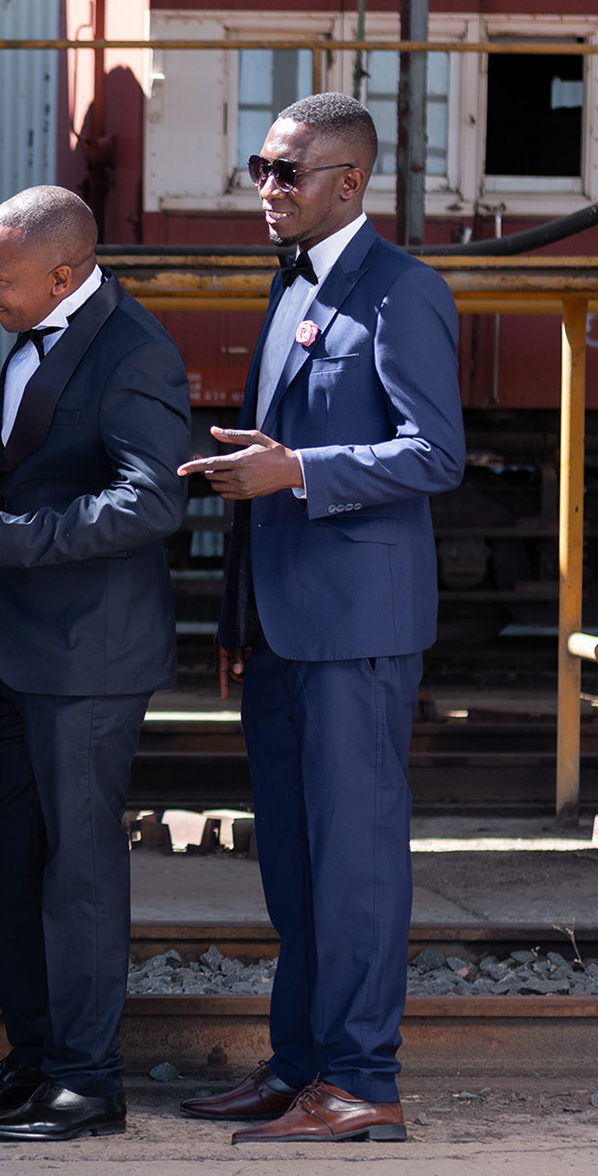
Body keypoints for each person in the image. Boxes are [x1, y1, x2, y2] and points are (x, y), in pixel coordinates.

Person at [178, 93, 463, 1144]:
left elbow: (435, 452)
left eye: (287, 171)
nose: (266, 187)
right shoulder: (292, 282)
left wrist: (298, 467)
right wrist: (235, 617)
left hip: (358, 633)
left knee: (357, 865)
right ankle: (299, 1067)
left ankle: (362, 1083)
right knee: (296, 868)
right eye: (259, 167)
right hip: (283, 630)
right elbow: (272, 464)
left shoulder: (402, 290)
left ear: (350, 182)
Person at [0, 186, 189, 1141]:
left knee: (81, 871)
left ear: (63, 276)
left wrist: (11, 538)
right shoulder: (28, 332)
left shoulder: (135, 351)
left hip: (92, 655)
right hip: (21, 651)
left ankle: (88, 1082)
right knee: (12, 857)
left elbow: (154, 502)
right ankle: (34, 1056)